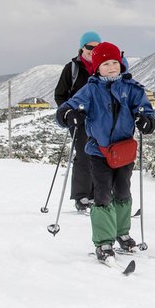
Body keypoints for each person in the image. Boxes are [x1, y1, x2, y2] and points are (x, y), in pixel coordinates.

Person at [55, 42, 155, 264]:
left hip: (124, 151)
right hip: (99, 152)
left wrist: (146, 120)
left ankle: (121, 232)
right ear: (97, 67)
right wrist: (69, 115)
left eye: (115, 63)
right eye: (106, 64)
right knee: (102, 194)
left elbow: (146, 110)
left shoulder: (133, 89)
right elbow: (64, 110)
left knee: (123, 191)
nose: (111, 67)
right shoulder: (90, 90)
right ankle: (103, 241)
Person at [53, 31, 102, 212]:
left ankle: (99, 195)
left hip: (99, 120)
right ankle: (82, 197)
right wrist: (69, 113)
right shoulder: (72, 68)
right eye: (89, 46)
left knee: (99, 156)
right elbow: (60, 94)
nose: (92, 50)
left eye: (97, 47)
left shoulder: (102, 67)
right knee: (83, 155)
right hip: (78, 121)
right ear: (82, 47)